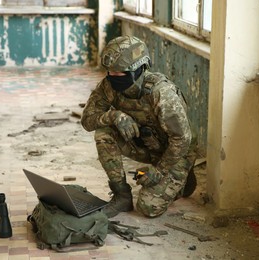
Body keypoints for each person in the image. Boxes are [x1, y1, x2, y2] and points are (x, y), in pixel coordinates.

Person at [81, 35, 197, 218]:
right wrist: (114, 115)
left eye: (120, 72)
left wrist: (159, 172)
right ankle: (122, 196)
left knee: (147, 207)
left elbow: (182, 139)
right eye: (110, 72)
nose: (113, 77)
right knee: (104, 133)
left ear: (139, 69)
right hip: (146, 145)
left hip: (175, 152)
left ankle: (182, 179)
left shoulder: (161, 93)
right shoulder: (109, 85)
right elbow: (87, 121)